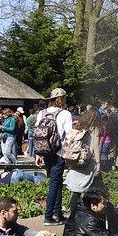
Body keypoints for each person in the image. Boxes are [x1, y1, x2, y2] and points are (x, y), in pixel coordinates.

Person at [33, 89, 74, 224]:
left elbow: (38, 134)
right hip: (58, 152)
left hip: (45, 151)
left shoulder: (42, 113)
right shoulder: (65, 113)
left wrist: (38, 154)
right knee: (54, 184)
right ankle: (49, 216)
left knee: (56, 182)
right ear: (61, 98)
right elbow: (69, 134)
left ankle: (59, 214)